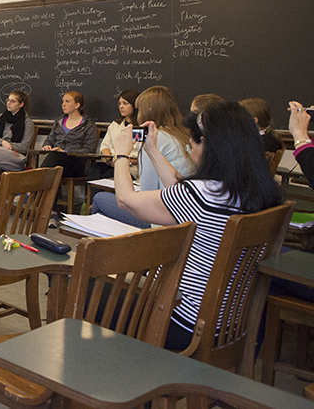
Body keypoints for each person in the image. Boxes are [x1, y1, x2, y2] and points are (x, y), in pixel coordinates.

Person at [111, 100, 281, 350]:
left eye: (194, 142)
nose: (190, 148)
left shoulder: (201, 194)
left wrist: (122, 154)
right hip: (233, 323)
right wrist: (152, 150)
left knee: (81, 290)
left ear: (211, 147)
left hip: (184, 324)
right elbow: (183, 192)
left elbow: (126, 200)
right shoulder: (259, 191)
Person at [91, 86, 194, 228]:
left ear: (148, 111)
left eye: (139, 110)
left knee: (99, 199)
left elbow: (143, 195)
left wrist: (122, 155)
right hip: (185, 213)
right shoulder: (183, 135)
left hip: (161, 219)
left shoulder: (153, 139)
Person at [86, 89, 141, 194]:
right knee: (94, 169)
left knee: (110, 175)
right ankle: (95, 202)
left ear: (134, 105)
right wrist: (109, 158)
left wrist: (123, 161)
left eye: (125, 103)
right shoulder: (115, 125)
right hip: (113, 162)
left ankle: (106, 202)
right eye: (120, 103)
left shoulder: (141, 128)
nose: (121, 106)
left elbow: (141, 154)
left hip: (130, 167)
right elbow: (105, 145)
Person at [40, 91, 98, 178]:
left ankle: (32, 189)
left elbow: (89, 149)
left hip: (76, 163)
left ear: (77, 105)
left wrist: (65, 152)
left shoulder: (88, 125)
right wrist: (47, 146)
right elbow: (49, 140)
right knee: (54, 160)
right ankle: (35, 189)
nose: (63, 104)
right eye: (63, 101)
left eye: (67, 101)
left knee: (55, 158)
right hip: (55, 161)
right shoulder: (58, 122)